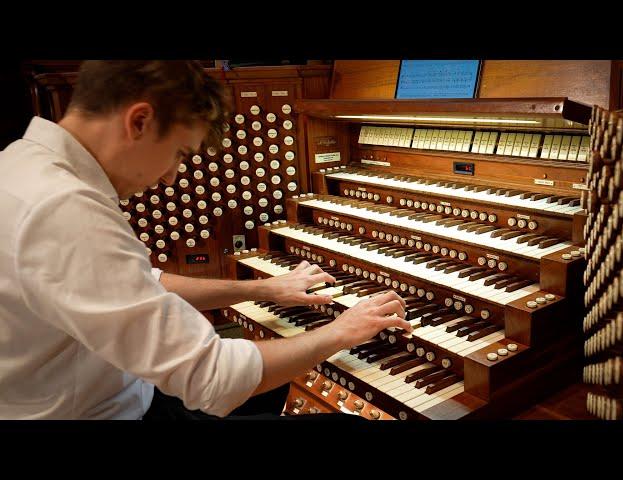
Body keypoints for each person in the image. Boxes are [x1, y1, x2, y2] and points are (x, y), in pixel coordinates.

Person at [0, 60, 411, 420]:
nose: (170, 177)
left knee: (281, 388)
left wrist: (263, 288)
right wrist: (342, 330)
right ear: (139, 121)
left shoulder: (22, 164)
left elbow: (145, 281)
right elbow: (213, 378)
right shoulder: (66, 209)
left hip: (117, 389)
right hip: (103, 410)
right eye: (179, 153)